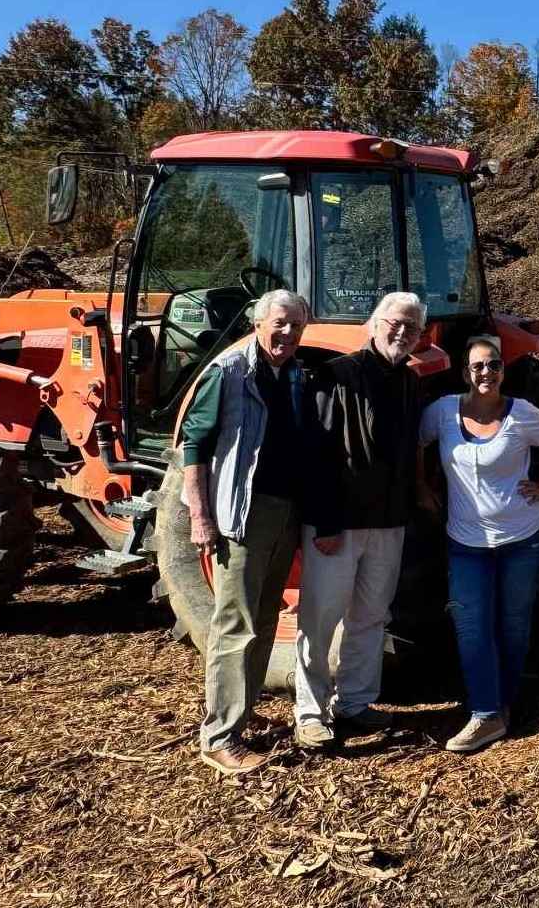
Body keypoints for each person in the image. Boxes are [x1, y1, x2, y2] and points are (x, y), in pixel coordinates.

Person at [417, 335, 539, 754]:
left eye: (494, 365)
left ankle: (502, 706)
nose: (486, 373)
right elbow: (417, 441)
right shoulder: (443, 412)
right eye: (478, 366)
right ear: (465, 372)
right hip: (466, 541)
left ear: (503, 370)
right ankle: (486, 714)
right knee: (471, 627)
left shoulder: (521, 413)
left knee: (512, 623)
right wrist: (421, 487)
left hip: (523, 538)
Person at [181, 289, 313, 775]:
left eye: (296, 326)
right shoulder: (227, 373)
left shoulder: (294, 373)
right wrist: (199, 518)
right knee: (235, 624)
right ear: (258, 323)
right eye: (280, 323)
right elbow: (193, 445)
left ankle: (242, 716)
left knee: (259, 617)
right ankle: (219, 736)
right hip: (241, 514)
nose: (287, 334)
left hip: (283, 511)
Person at [291, 293, 427, 750]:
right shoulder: (337, 376)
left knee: (371, 617)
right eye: (395, 323)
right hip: (339, 524)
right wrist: (325, 522)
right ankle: (311, 712)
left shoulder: (409, 381)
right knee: (321, 619)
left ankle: (355, 702)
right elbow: (316, 456)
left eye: (412, 327)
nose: (402, 333)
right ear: (374, 324)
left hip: (388, 523)